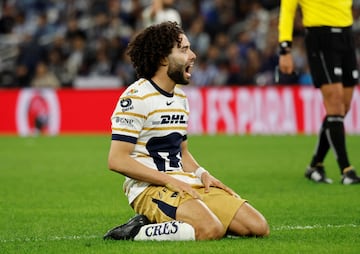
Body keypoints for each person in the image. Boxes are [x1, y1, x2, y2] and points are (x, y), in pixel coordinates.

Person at [103, 21, 269, 241]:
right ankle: (134, 232)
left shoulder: (180, 97)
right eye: (184, 50)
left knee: (257, 227)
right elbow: (117, 160)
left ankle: (189, 219)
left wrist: (203, 174)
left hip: (183, 182)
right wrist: (169, 180)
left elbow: (182, 152)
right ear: (163, 58)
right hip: (149, 189)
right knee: (211, 230)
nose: (193, 55)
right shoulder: (136, 98)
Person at [278, 0, 360, 184]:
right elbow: (287, 10)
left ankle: (315, 165)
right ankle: (347, 170)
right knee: (335, 101)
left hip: (346, 35)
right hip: (320, 37)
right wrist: (285, 49)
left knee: (342, 107)